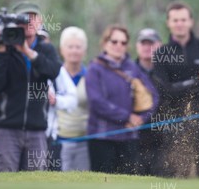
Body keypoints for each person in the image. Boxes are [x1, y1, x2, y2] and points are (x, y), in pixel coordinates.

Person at [0, 1, 62, 172]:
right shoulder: (4, 50)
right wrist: (0, 51)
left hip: (37, 130)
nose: (28, 22)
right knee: (4, 182)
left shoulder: (46, 49)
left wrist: (29, 53)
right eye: (23, 18)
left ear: (40, 22)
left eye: (32, 18)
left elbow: (52, 71)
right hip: (7, 129)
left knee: (35, 186)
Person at [152, 1, 199, 177]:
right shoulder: (161, 53)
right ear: (168, 23)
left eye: (183, 19)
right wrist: (196, 82)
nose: (179, 24)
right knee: (175, 169)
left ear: (190, 22)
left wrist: (178, 87)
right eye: (175, 20)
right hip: (174, 118)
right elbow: (164, 90)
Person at [85, 24, 159, 174]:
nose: (118, 45)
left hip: (128, 137)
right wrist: (126, 117)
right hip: (101, 138)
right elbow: (96, 101)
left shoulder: (132, 68)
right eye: (114, 41)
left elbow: (153, 97)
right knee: (103, 185)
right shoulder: (94, 69)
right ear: (105, 43)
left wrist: (140, 119)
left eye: (123, 42)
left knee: (129, 186)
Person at [46, 26, 86, 172]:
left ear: (84, 51)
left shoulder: (90, 76)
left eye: (78, 47)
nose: (74, 51)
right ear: (62, 50)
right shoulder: (55, 72)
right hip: (57, 139)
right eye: (70, 46)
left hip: (84, 140)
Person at [134, 28, 162, 176]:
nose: (146, 47)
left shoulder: (167, 72)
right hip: (135, 139)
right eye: (143, 43)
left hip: (163, 140)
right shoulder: (128, 72)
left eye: (150, 43)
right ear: (137, 46)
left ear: (159, 46)